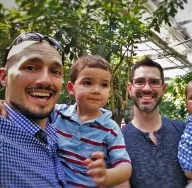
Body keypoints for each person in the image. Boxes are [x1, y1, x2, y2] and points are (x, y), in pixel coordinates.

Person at [50, 55, 132, 187]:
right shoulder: (58, 113)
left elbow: (125, 167)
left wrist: (107, 176)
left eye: (104, 85)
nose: (96, 90)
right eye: (87, 82)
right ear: (71, 88)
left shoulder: (110, 128)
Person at [0, 32, 66, 187]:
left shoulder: (56, 126)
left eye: (55, 71)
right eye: (30, 67)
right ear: (4, 77)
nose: (45, 80)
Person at [121, 57, 187, 188]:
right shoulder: (118, 141)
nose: (146, 88)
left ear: (163, 88)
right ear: (130, 88)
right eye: (139, 82)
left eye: (154, 82)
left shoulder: (185, 131)